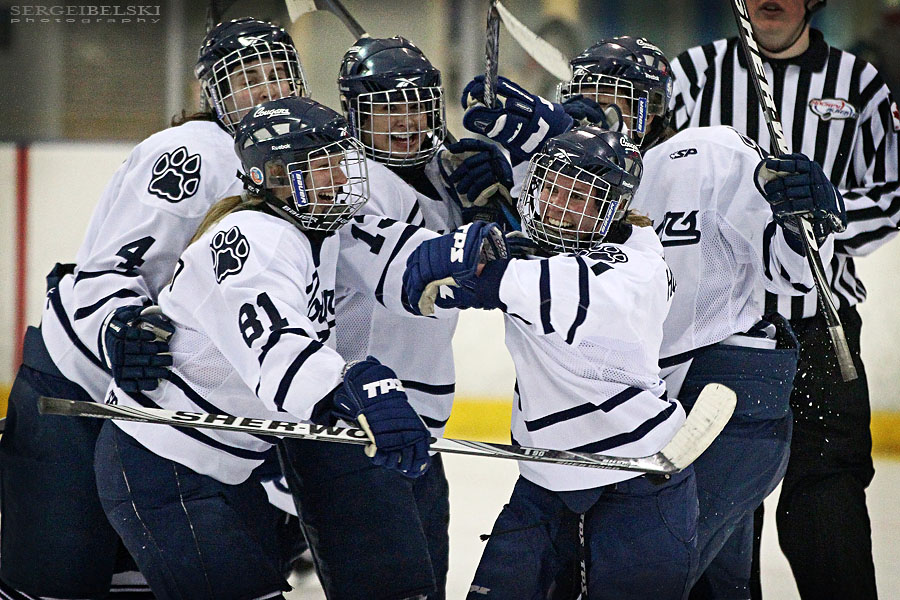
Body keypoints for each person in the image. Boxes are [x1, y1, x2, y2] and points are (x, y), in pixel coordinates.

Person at [458, 33, 845, 599]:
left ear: (661, 109)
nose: (607, 113)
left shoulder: (712, 154)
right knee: (713, 586)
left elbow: (797, 274)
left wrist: (800, 221)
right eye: (590, 98)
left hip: (729, 387)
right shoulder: (562, 170)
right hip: (633, 406)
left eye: (624, 100)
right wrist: (498, 192)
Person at [0, 17, 308, 599]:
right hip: (81, 391)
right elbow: (106, 270)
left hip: (169, 415)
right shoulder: (194, 153)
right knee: (55, 587)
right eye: (248, 78)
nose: (267, 90)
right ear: (212, 92)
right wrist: (121, 330)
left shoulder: (304, 160)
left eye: (279, 75)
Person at [93, 96, 433, 599]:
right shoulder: (253, 240)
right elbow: (279, 353)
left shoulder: (314, 229)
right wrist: (352, 391)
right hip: (165, 469)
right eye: (319, 167)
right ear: (268, 177)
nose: (338, 178)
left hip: (227, 468)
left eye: (339, 162)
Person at [405, 126, 699, 600]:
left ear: (614, 210)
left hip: (634, 483)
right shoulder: (553, 248)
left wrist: (477, 262)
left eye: (581, 197)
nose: (559, 205)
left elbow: (550, 284)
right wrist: (492, 216)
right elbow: (533, 256)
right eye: (552, 188)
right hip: (543, 481)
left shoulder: (634, 269)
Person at [671, 1, 900, 597]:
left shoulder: (859, 84)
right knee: (717, 507)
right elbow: (644, 179)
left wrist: (829, 213)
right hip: (718, 338)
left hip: (821, 330)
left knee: (827, 498)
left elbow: (893, 197)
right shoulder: (692, 74)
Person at [278, 36, 511, 600]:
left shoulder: (440, 170)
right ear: (354, 113)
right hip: (353, 422)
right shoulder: (341, 182)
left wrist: (496, 192)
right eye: (385, 107)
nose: (406, 121)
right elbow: (430, 282)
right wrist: (495, 239)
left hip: (418, 426)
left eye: (417, 104)